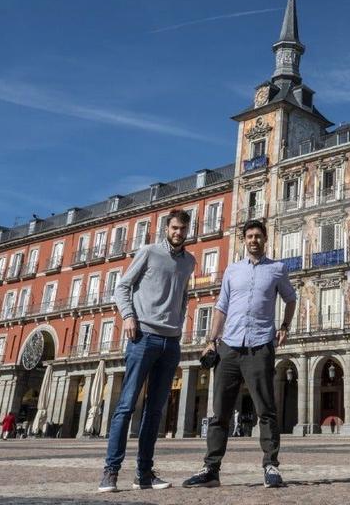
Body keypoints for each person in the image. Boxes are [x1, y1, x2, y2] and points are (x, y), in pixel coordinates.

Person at [183, 219, 297, 490]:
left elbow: (291, 299)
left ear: (265, 239)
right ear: (244, 240)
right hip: (229, 347)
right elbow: (221, 308)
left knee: (266, 409)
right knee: (219, 412)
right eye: (249, 236)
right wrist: (211, 341)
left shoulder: (277, 270)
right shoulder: (232, 271)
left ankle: (271, 466)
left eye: (258, 236)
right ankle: (211, 469)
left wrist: (284, 326)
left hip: (260, 346)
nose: (253, 240)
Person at [98, 209, 196, 494]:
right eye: (175, 228)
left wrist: (178, 321)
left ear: (188, 230)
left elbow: (183, 294)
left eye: (183, 229)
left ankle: (143, 473)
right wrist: (128, 316)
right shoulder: (149, 252)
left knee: (155, 411)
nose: (178, 233)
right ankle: (110, 471)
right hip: (143, 337)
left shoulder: (189, 261)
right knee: (127, 405)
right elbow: (123, 286)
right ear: (167, 228)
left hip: (171, 342)